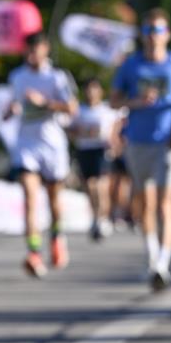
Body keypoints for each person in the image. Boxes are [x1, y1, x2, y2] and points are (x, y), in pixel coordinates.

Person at [111, 8, 171, 290]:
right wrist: (137, 101)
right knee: (145, 204)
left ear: (167, 35)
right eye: (148, 31)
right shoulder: (131, 66)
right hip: (138, 141)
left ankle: (163, 265)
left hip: (168, 143)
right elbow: (113, 101)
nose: (152, 37)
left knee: (166, 202)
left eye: (157, 30)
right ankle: (152, 256)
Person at [6, 30, 78, 277]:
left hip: (52, 145)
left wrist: (44, 103)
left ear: (46, 49)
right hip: (27, 144)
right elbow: (15, 104)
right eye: (29, 49)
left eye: (37, 48)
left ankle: (57, 237)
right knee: (29, 197)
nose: (33, 53)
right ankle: (33, 252)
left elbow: (72, 108)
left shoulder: (57, 77)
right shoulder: (17, 76)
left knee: (54, 199)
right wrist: (10, 110)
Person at [70, 77, 119, 239]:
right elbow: (70, 130)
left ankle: (103, 218)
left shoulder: (106, 109)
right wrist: (82, 132)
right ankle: (95, 217)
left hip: (101, 150)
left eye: (94, 89)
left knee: (100, 186)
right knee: (89, 187)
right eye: (88, 89)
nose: (91, 93)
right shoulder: (79, 110)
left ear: (100, 91)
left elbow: (118, 123)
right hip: (84, 150)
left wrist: (114, 140)